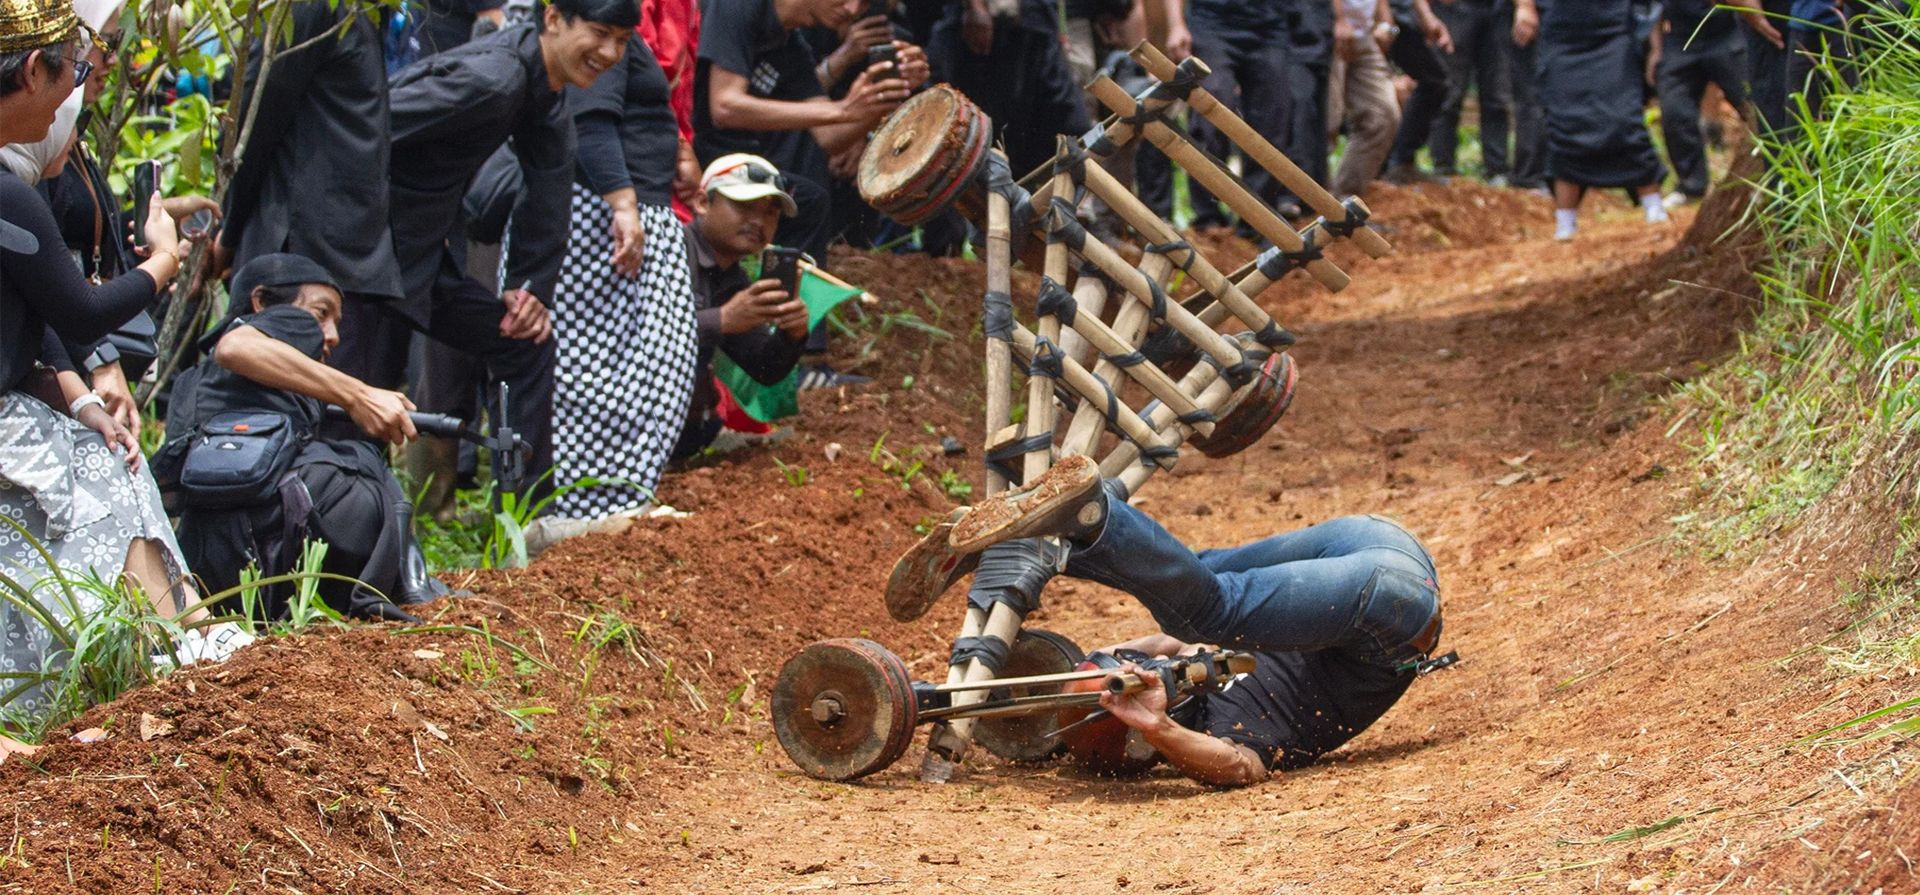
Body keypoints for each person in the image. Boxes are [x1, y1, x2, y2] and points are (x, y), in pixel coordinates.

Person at [1, 0, 249, 732]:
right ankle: (156, 651)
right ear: (34, 73)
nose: (76, 91)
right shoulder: (9, 190)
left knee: (111, 451)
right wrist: (167, 261)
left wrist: (76, 397)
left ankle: (182, 638)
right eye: (74, 71)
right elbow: (77, 312)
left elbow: (24, 331)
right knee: (99, 485)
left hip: (23, 396)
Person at [902, 454, 1446, 788]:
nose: (1141, 665)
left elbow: (1163, 636)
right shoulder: (1222, 728)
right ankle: (1069, 534)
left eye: (1130, 664)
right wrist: (1157, 727)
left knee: (1201, 588)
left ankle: (1058, 535)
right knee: (1205, 602)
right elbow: (1241, 768)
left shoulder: (1194, 670)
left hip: (1378, 560)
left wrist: (1116, 672)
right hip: (1390, 608)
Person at [354, 0, 639, 505]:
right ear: (553, 17)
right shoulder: (492, 79)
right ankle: (352, 527)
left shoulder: (544, 94)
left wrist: (530, 290)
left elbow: (549, 188)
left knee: (523, 339)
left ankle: (527, 518)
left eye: (622, 40)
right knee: (354, 403)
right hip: (363, 260)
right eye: (599, 33)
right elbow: (363, 127)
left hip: (420, 261)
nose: (611, 52)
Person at [158, 254, 442, 623]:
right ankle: (409, 588)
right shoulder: (278, 326)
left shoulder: (193, 380)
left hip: (207, 562)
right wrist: (357, 394)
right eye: (321, 312)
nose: (333, 335)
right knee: (361, 460)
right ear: (261, 302)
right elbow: (237, 347)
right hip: (272, 538)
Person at [695, 0, 922, 386]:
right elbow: (724, 105)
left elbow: (831, 137)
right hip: (700, 153)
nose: (852, 9)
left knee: (809, 199)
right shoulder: (739, 8)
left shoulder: (792, 44)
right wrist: (842, 110)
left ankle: (803, 351)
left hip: (751, 162)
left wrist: (887, 96)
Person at [545, 26, 699, 521]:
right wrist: (623, 204)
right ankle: (587, 509)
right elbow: (590, 121)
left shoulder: (620, 34)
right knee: (595, 371)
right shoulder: (605, 35)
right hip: (605, 217)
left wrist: (671, 148)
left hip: (629, 210)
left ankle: (624, 499)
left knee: (657, 366)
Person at [670, 154, 810, 460]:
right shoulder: (668, 253)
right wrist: (721, 320)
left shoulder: (734, 279)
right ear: (703, 203)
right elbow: (634, 339)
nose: (758, 222)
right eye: (744, 206)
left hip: (690, 439)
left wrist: (792, 334)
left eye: (771, 214)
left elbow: (764, 368)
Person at [1519, 0, 1669, 241]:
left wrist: (1655, 47)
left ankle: (1653, 205)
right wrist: (1524, 7)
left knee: (1624, 118)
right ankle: (1565, 220)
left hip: (1614, 30)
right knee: (1565, 121)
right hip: (1561, 34)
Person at [1181, 0, 1292, 233]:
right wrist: (1176, 25)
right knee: (1211, 109)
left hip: (1269, 24)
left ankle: (1257, 217)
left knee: (1272, 118)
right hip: (1211, 21)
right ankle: (1207, 215)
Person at [1652, 0, 1751, 206]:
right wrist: (1656, 50)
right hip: (1680, 39)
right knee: (1674, 112)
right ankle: (1691, 186)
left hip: (1726, 33)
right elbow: (1654, 10)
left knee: (1753, 107)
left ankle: (1767, 175)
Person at [1427, 0, 1514, 184]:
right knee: (1450, 92)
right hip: (1453, 8)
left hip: (1497, 10)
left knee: (1497, 94)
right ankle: (1442, 165)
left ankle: (1496, 167)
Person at [1327, 0, 1402, 198]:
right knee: (1327, 123)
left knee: (1382, 117)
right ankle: (1308, 202)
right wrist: (1338, 18)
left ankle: (1343, 200)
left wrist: (1385, 22)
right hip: (1328, 31)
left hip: (1364, 36)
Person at [1380, 0, 1454, 186]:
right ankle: (1395, 163)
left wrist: (1425, 16)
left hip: (1401, 15)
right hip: (1385, 18)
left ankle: (1399, 162)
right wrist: (1385, 20)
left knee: (1435, 82)